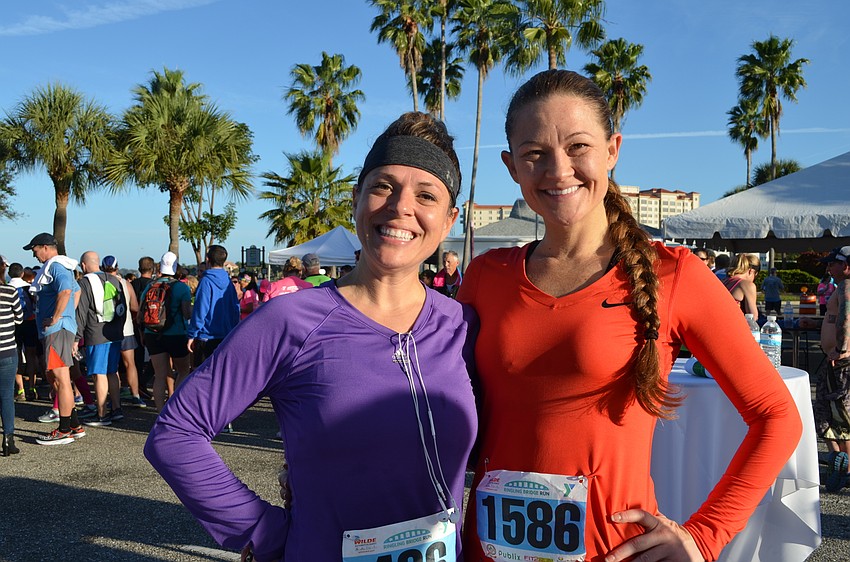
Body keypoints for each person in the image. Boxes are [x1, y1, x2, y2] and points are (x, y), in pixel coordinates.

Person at [457, 70, 801, 562]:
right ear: (512, 166)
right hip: (487, 551)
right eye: (534, 153)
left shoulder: (674, 274)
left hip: (615, 551)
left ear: (612, 150)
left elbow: (777, 416)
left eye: (578, 146)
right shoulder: (485, 276)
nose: (558, 170)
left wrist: (705, 536)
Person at [145, 112, 478, 562]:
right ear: (356, 198)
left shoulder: (461, 325)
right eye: (383, 187)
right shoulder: (290, 320)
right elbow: (177, 432)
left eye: (426, 195)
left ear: (449, 219)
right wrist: (262, 531)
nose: (401, 207)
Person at [24, 233, 86, 445]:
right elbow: (76, 291)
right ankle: (74, 425)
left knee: (60, 378)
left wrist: (57, 317)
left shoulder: (56, 266)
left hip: (57, 329)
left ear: (45, 247)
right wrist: (67, 314)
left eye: (35, 250)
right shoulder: (61, 266)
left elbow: (67, 291)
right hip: (59, 329)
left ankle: (64, 430)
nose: (34, 255)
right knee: (55, 376)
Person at [75, 251, 126, 426]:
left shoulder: (84, 282)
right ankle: (116, 409)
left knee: (98, 373)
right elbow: (124, 309)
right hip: (115, 333)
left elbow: (81, 313)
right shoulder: (114, 279)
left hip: (96, 333)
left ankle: (102, 413)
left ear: (83, 265)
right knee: (112, 371)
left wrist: (76, 338)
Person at [814, 246, 850, 491]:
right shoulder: (841, 286)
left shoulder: (847, 285)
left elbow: (846, 315)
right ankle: (838, 459)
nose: (828, 268)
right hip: (833, 360)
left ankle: (844, 467)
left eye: (832, 263)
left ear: (846, 266)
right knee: (828, 411)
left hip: (841, 362)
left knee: (840, 413)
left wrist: (842, 347)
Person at [138, 251, 192, 411]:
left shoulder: (150, 286)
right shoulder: (182, 288)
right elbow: (187, 313)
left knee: (160, 375)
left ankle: (160, 412)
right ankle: (176, 408)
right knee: (183, 370)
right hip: (176, 334)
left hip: (153, 334)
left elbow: (140, 315)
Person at [187, 245, 239, 363]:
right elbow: (236, 308)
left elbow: (201, 310)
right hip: (226, 335)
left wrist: (192, 334)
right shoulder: (229, 282)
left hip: (206, 336)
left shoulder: (205, 281)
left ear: (207, 260)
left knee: (202, 371)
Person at [0, 256, 23, 455]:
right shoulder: (9, 291)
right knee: (7, 395)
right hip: (7, 349)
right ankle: (8, 439)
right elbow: (20, 317)